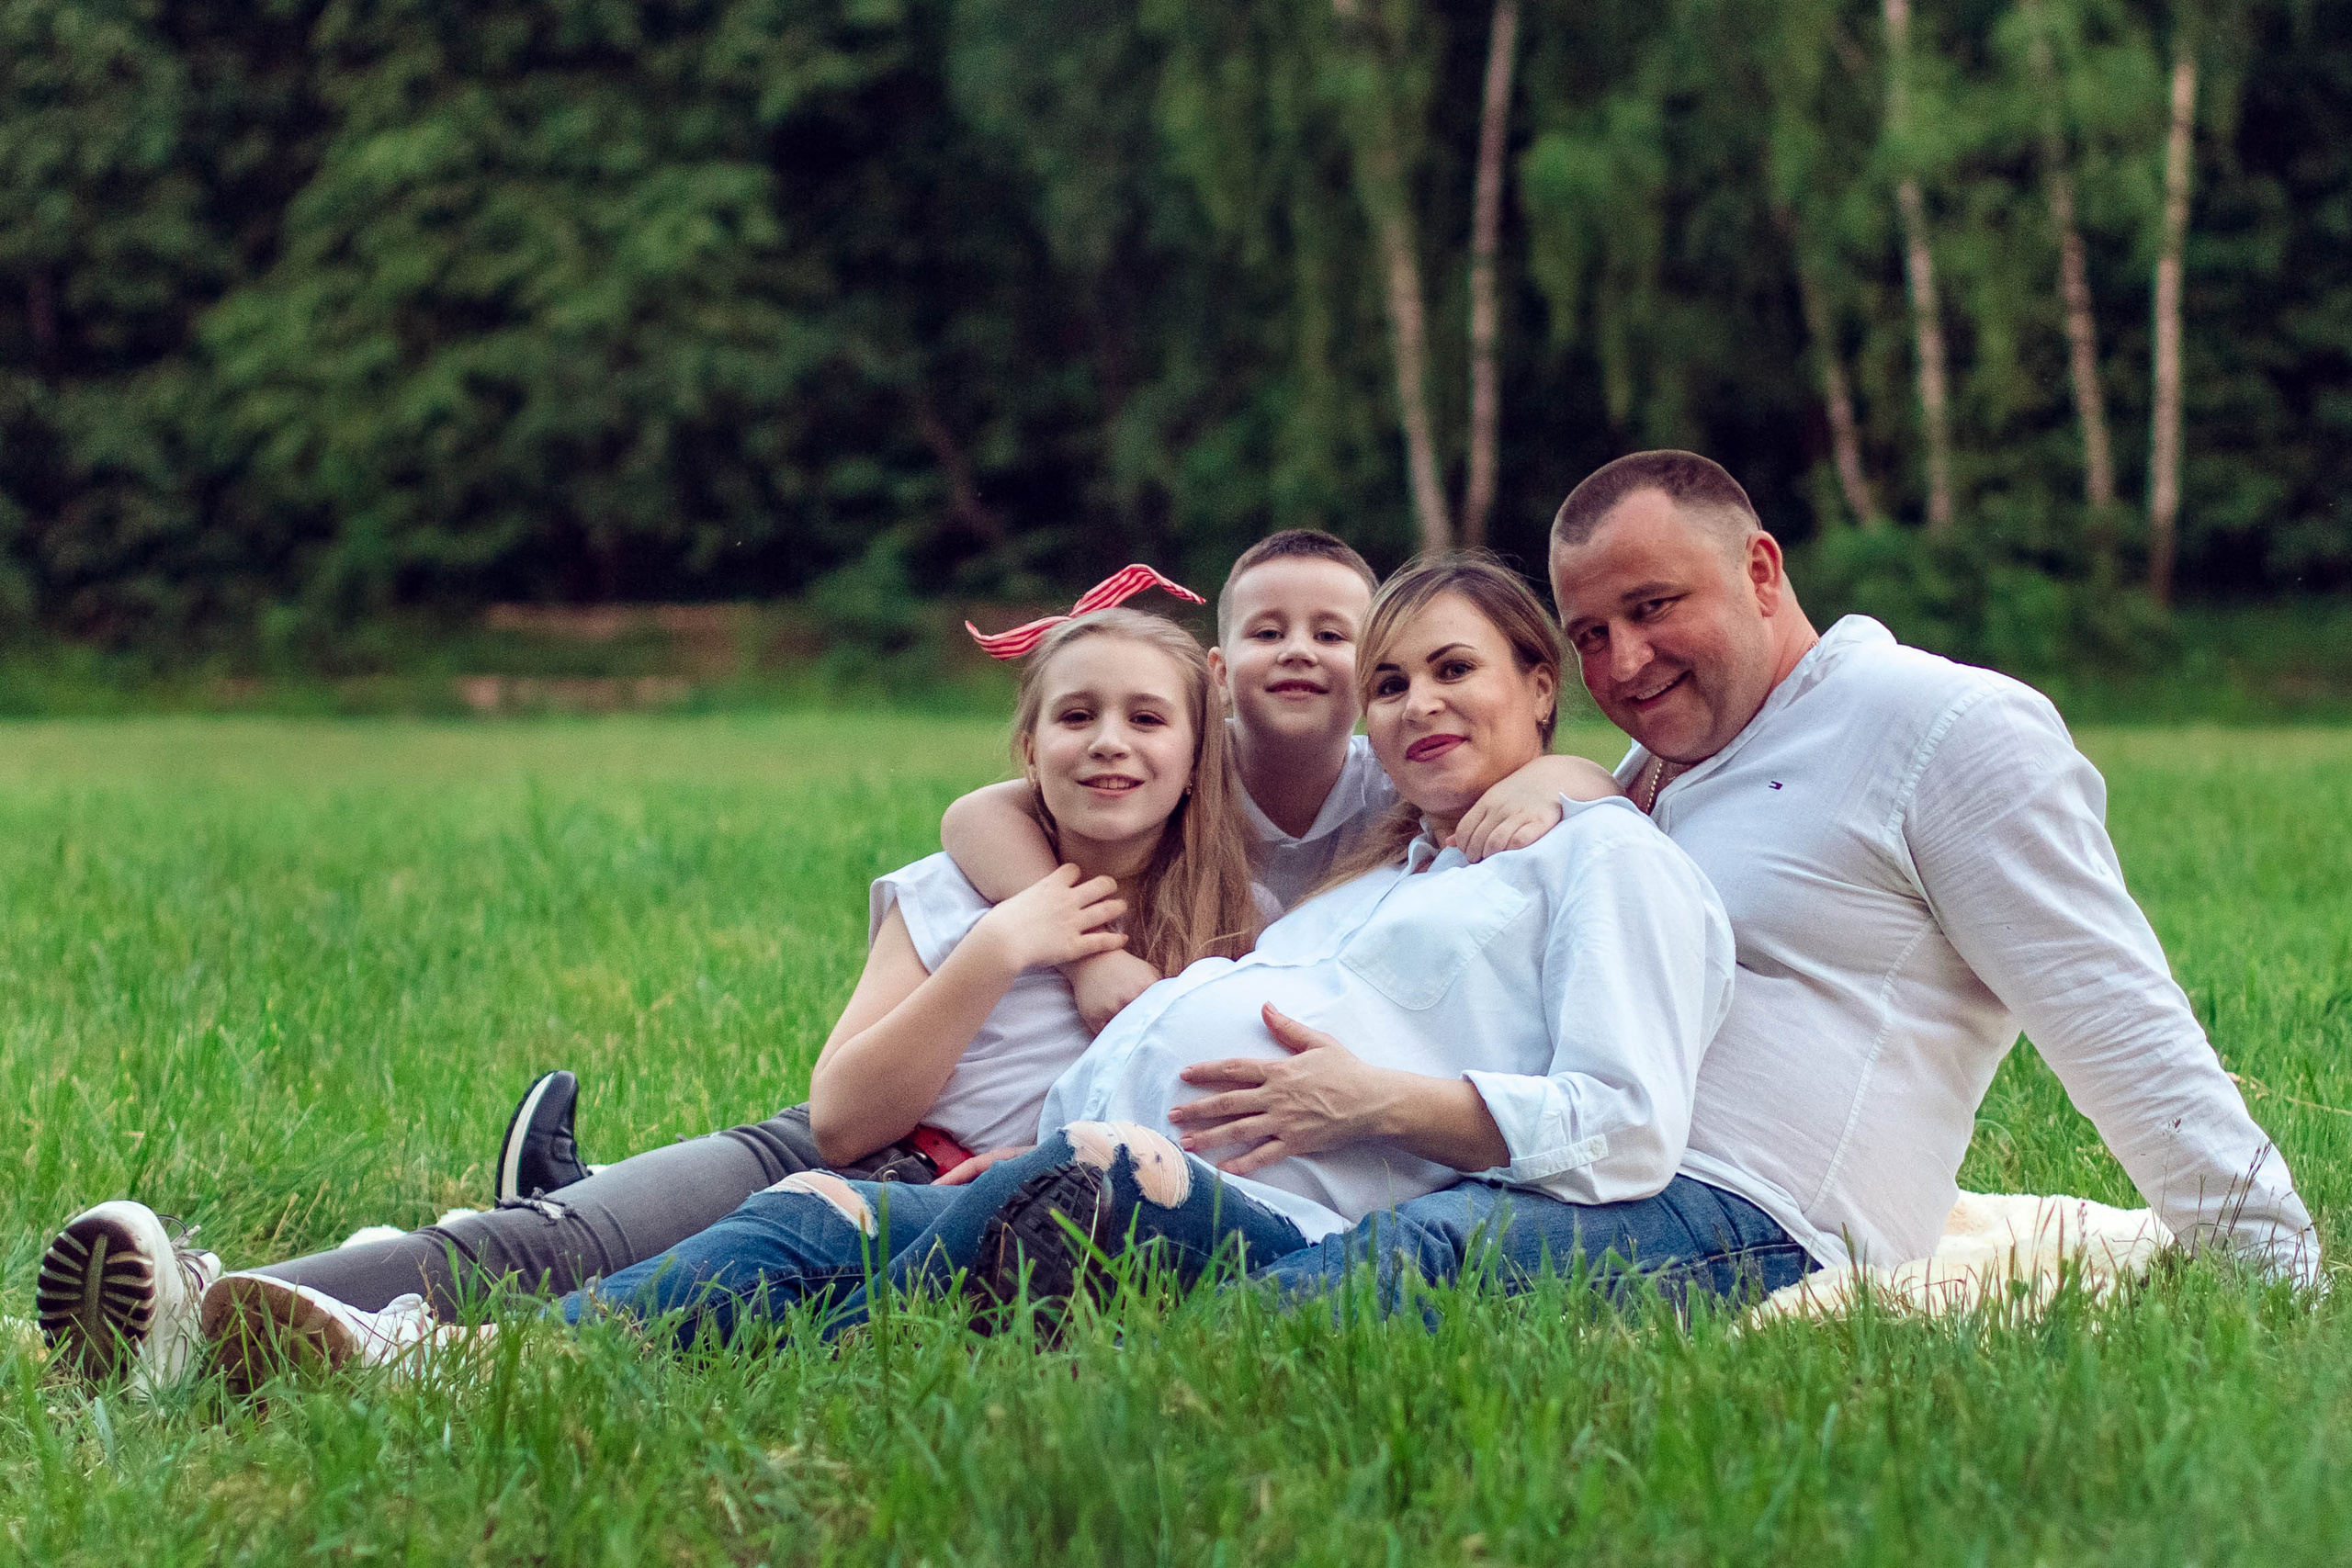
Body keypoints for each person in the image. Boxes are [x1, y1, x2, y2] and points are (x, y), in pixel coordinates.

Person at [37, 592, 1262, 1392]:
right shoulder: (961, 888)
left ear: (1200, 746)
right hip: (826, 1150)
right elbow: (842, 1111)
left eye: (1148, 716)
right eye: (1077, 714)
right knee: (541, 1242)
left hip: (926, 1219)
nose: (1110, 741)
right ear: (1028, 742)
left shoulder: (1241, 911)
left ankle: (300, 1332)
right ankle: (178, 1303)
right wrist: (1004, 944)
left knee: (620, 1302)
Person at [559, 555, 1757, 1347]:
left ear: (1541, 688)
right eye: (1387, 684)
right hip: (1048, 1152)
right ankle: (477, 1353)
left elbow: (1625, 1120)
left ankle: (824, 1357)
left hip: (1273, 1213)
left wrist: (1380, 1098)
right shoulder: (1390, 867)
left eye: (1456, 671)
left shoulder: (1607, 857)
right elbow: (990, 809)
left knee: (1059, 1196)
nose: (1418, 703)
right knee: (816, 1211)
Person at [1541, 449, 2316, 1282]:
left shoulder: (1938, 729)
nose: (1622, 662)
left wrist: (2270, 1262)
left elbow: (2113, 1010)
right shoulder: (1649, 767)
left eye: (1652, 608)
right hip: (1568, 1172)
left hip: (1762, 1226)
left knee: (1401, 1266)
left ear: (1760, 572)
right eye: (1590, 635)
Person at [941, 531, 1620, 1031]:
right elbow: (974, 817)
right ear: (1219, 672)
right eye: (1267, 632)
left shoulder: (1399, 780)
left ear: (1374, 670)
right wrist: (1088, 961)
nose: (1298, 649)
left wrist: (1550, 777)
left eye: (1331, 635)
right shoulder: (1173, 772)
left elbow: (1595, 786)